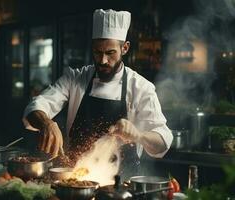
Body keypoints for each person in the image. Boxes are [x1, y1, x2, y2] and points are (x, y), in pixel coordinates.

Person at [23, 9, 173, 177]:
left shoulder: (140, 87)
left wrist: (138, 135)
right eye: (97, 52)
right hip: (77, 179)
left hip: (122, 185)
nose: (102, 60)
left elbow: (163, 141)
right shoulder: (75, 78)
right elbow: (36, 106)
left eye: (110, 53)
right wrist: (46, 123)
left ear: (124, 48)